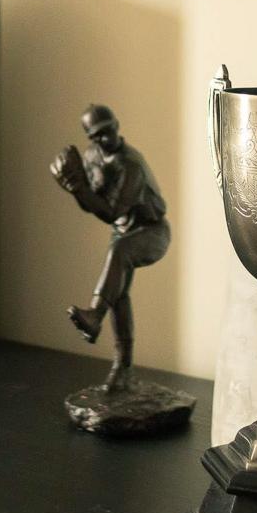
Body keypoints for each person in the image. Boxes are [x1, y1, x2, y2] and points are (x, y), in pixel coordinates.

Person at [51, 104, 169, 389]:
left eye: (107, 131)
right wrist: (76, 188)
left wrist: (79, 189)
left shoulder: (131, 164)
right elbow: (93, 203)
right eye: (96, 136)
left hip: (152, 231)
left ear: (116, 125)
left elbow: (111, 211)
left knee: (120, 252)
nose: (103, 139)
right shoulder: (92, 156)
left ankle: (95, 315)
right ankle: (122, 367)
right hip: (123, 231)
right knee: (117, 292)